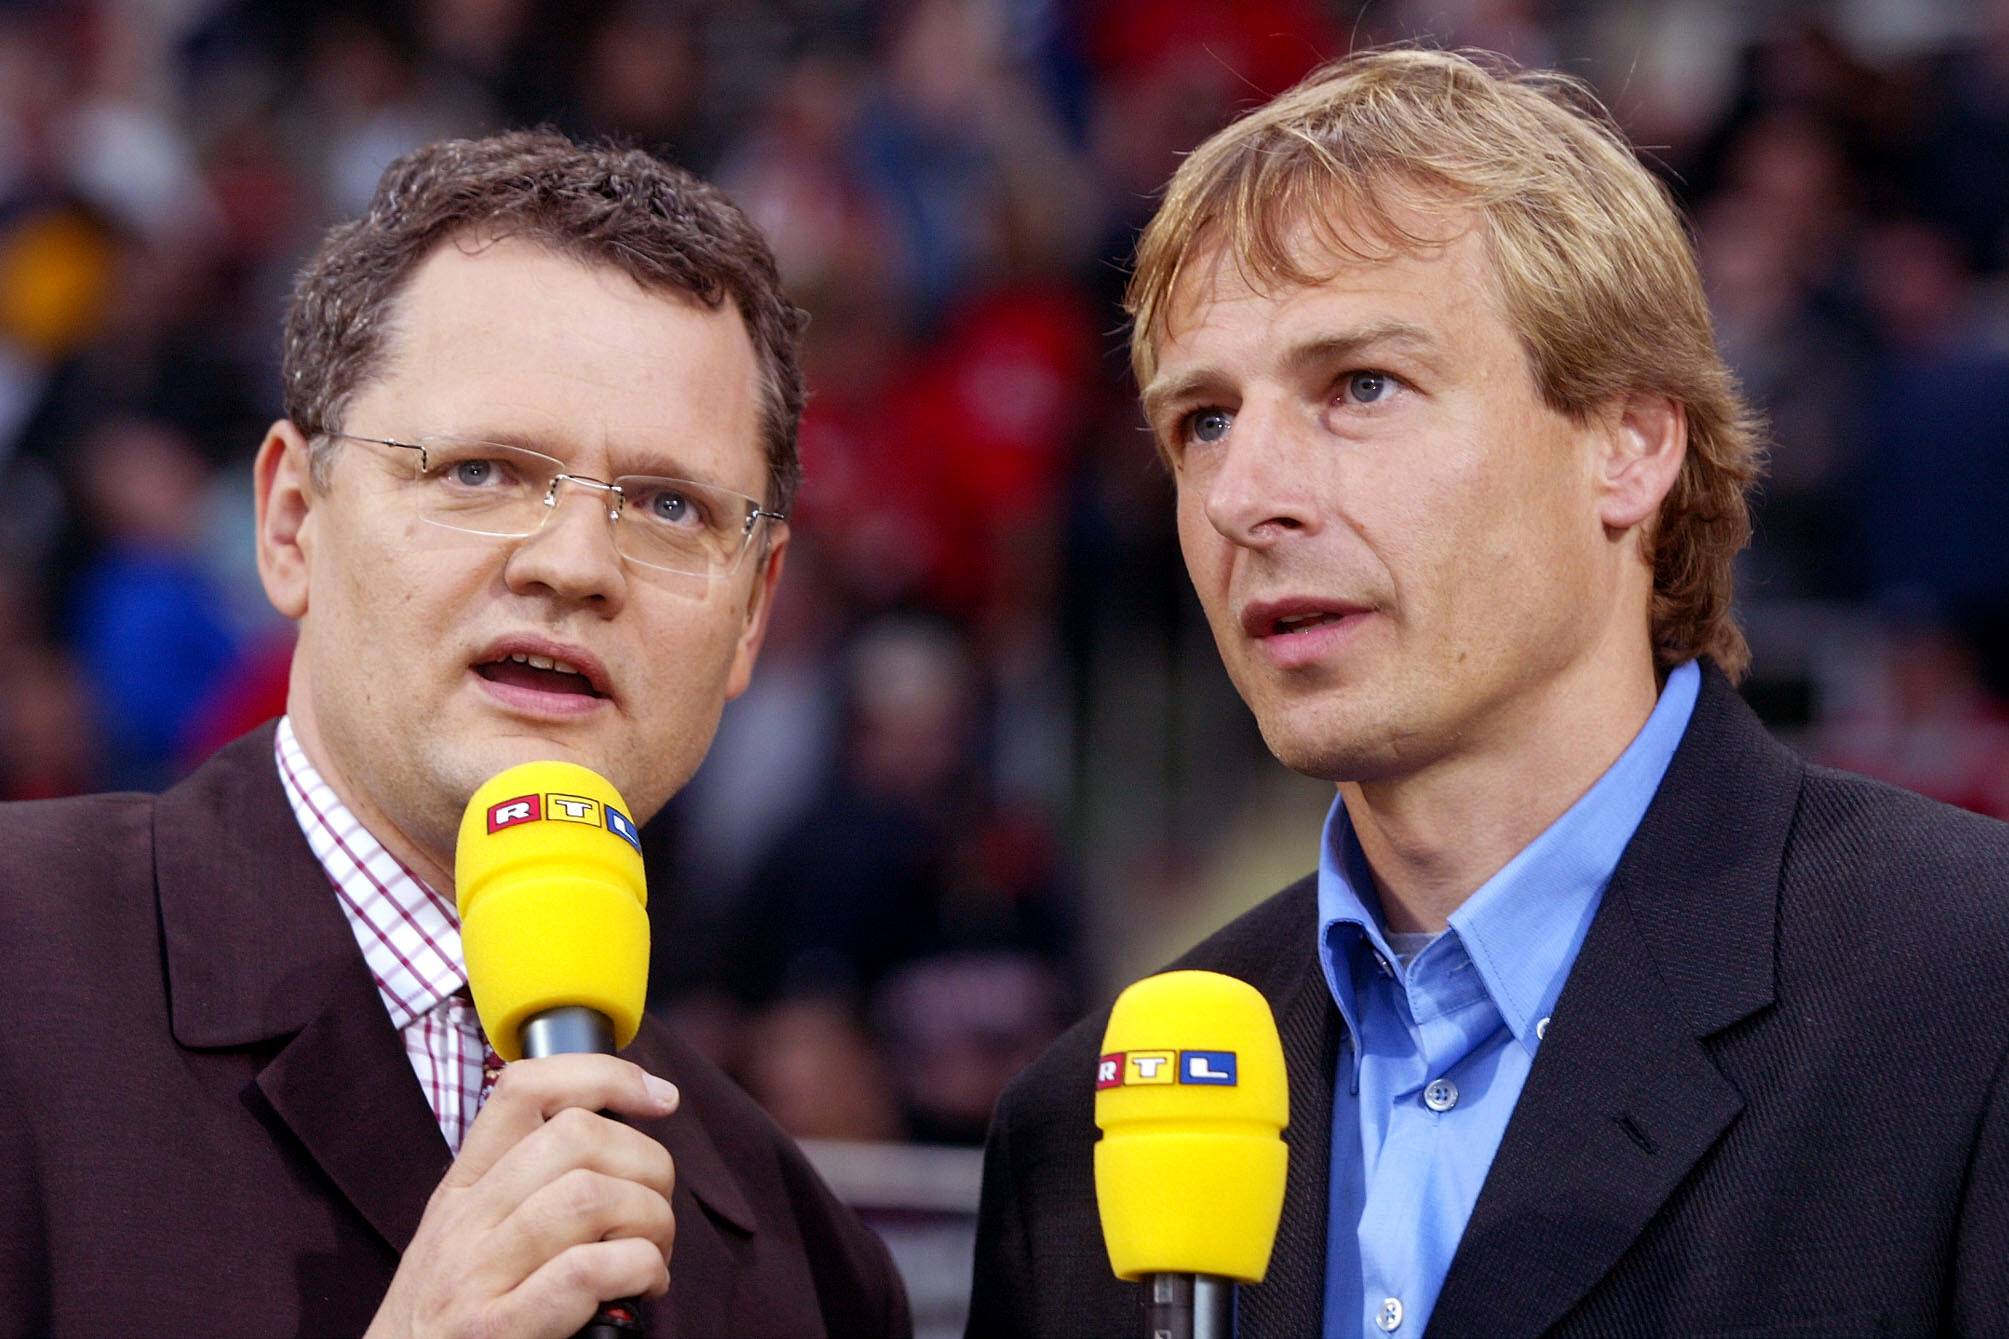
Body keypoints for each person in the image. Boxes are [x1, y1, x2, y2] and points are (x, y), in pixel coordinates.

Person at [968, 47, 2009, 1339]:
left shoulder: (1968, 993)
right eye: (1204, 422)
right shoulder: (1083, 1130)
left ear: (1628, 441)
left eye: (1359, 386)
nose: (1245, 497)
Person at [0, 130, 909, 1339]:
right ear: (288, 521)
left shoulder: (809, 1263)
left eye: (669, 506)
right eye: (480, 470)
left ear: (752, 611)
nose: (575, 565)